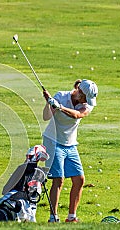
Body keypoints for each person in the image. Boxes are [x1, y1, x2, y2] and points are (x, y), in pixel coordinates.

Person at [42, 79, 98, 222]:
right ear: (79, 92)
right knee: (58, 180)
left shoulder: (86, 106)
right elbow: (46, 117)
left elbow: (77, 115)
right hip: (53, 141)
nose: (87, 102)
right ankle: (53, 217)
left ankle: (72, 217)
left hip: (71, 144)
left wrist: (60, 107)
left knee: (79, 180)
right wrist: (50, 103)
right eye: (86, 98)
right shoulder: (61, 96)